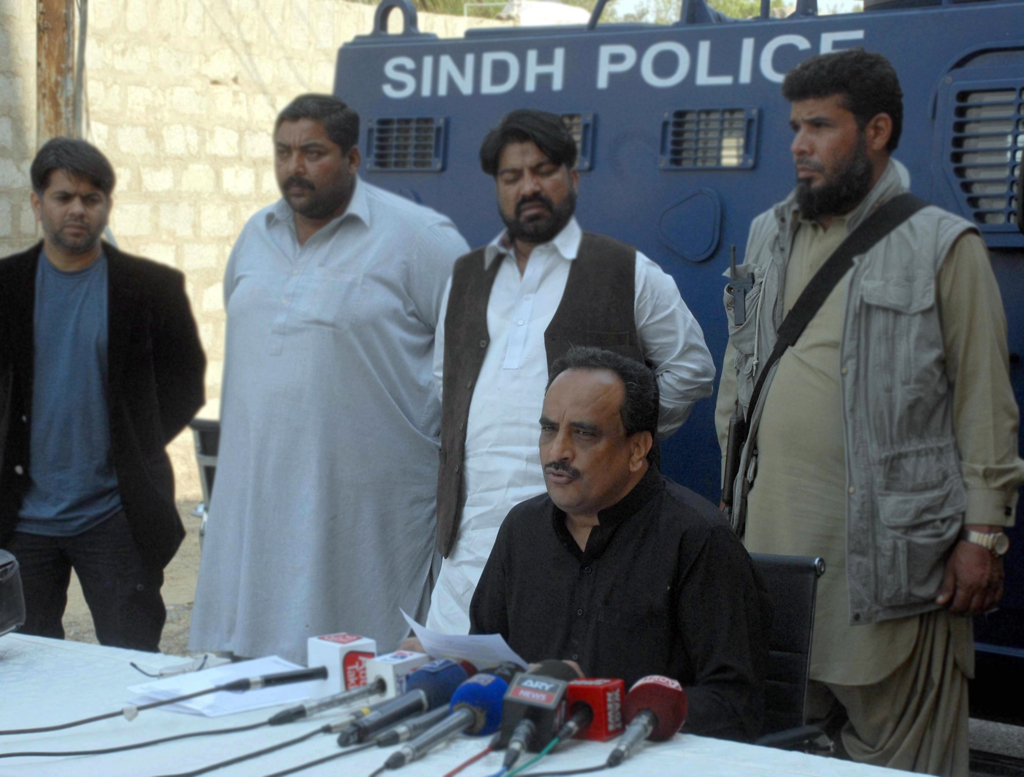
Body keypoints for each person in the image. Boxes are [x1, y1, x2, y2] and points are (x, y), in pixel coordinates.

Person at [715, 49, 1024, 776]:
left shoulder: (946, 247)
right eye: (795, 125)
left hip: (894, 576)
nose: (798, 143)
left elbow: (986, 404)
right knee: (777, 755)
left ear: (877, 130)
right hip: (771, 566)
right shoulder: (766, 235)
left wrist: (984, 534)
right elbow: (739, 374)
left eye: (820, 125)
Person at [189, 94, 469, 663]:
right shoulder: (256, 235)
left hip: (367, 503)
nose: (295, 168)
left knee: (353, 662)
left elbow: (470, 359)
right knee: (248, 661)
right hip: (258, 491)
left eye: (313, 152)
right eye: (284, 152)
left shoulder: (419, 238)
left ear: (353, 157)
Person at [428, 109, 716, 634]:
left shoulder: (626, 271)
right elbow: (442, 393)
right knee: (457, 690)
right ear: (497, 188)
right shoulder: (465, 278)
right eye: (512, 177)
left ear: (573, 178)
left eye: (544, 170)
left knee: (555, 694)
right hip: (466, 550)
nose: (529, 187)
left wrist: (618, 444)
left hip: (584, 545)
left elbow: (692, 370)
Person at [471, 346, 769, 742]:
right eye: (548, 429)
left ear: (637, 449)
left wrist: (607, 708)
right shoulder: (521, 529)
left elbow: (736, 705)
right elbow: (490, 661)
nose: (557, 452)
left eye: (583, 433)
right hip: (531, 748)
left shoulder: (697, 539)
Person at [0, 138, 206, 651]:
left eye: (91, 199)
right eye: (63, 196)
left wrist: (132, 442)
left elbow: (186, 380)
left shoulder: (151, 288)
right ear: (36, 203)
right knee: (25, 671)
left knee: (131, 664)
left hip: (116, 515)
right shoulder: (5, 287)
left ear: (107, 206)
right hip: (21, 521)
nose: (77, 209)